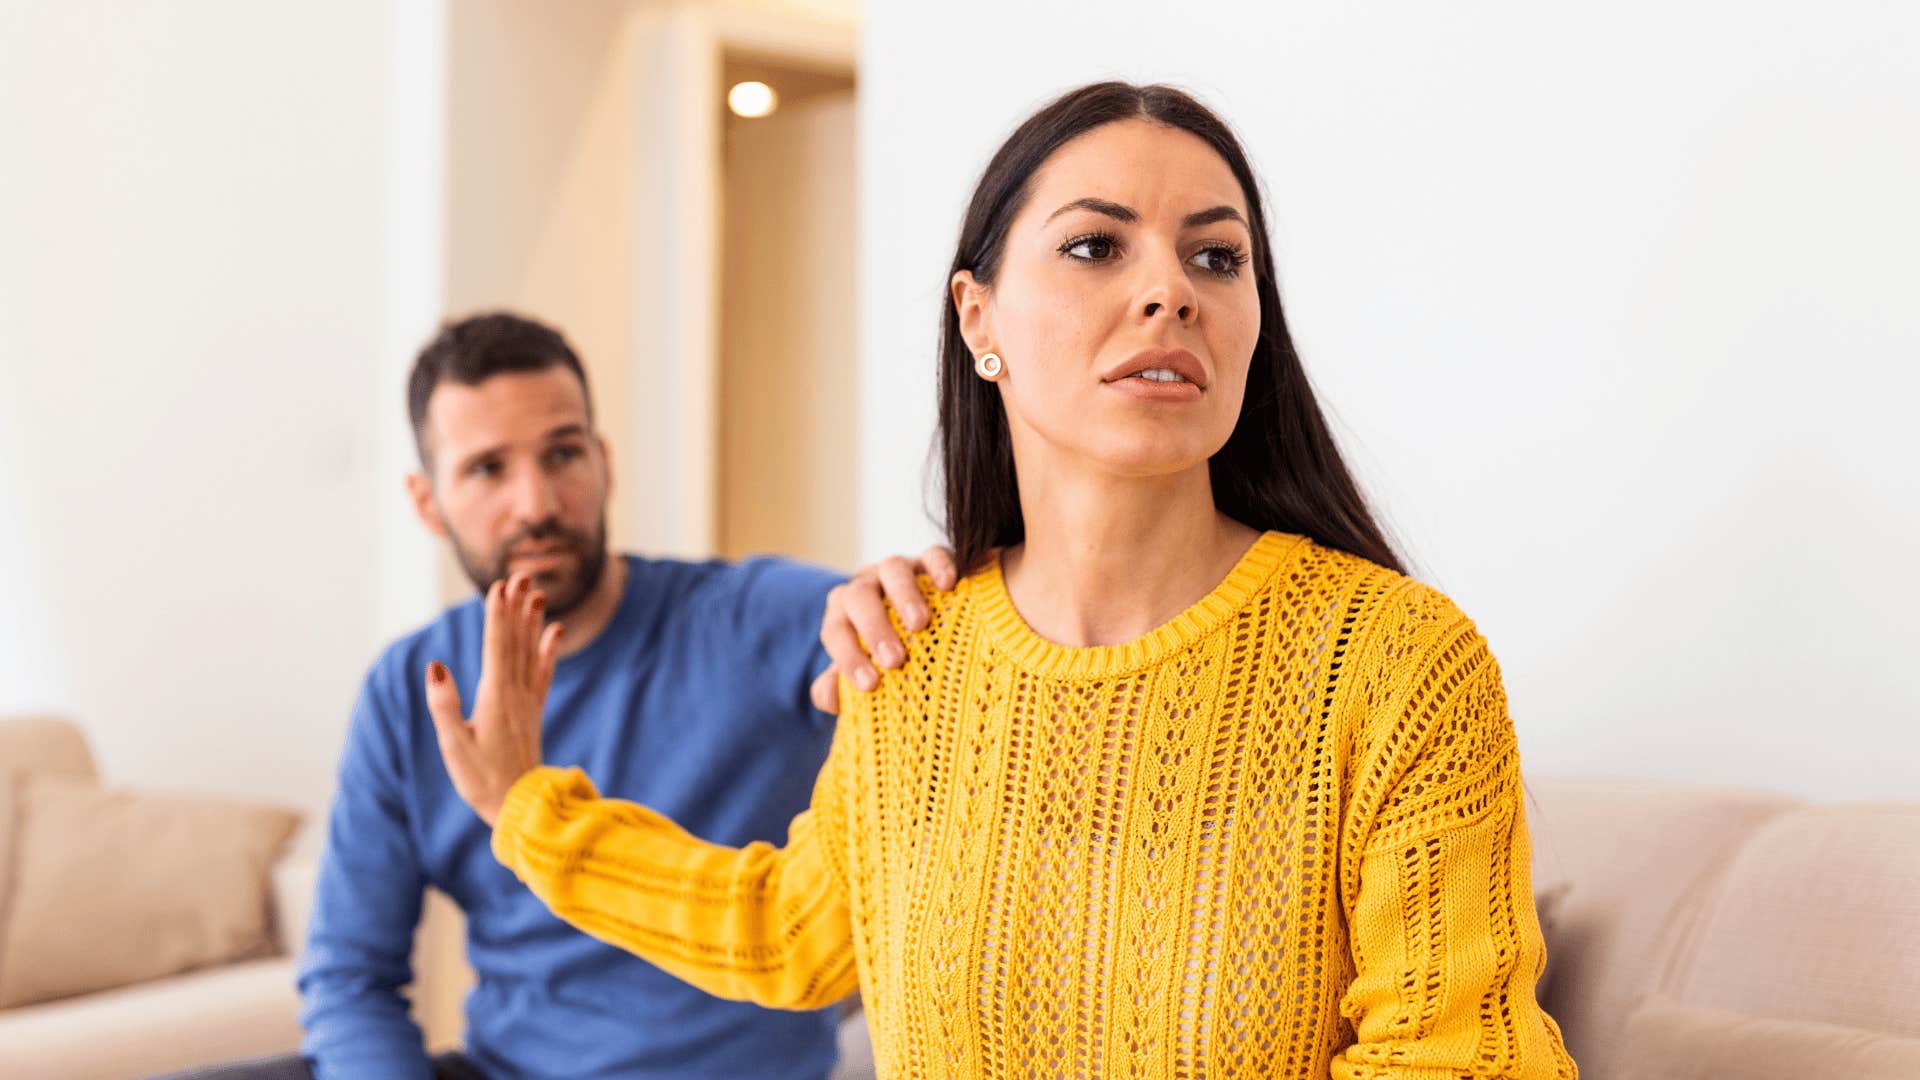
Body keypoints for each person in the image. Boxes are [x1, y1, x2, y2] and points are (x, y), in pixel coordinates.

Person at [433, 85, 1578, 1078]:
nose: (1169, 291)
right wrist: (526, 810)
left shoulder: (1397, 664)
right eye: (1097, 246)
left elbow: (1455, 1058)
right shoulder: (911, 656)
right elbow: (787, 933)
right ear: (979, 316)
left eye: (1216, 257)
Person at [173, 312, 950, 1080]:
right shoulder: (412, 690)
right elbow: (349, 977)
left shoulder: (752, 617)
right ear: (425, 501)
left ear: (604, 462)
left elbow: (898, 642)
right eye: (487, 470)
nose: (537, 502)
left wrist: (902, 613)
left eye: (563, 454)